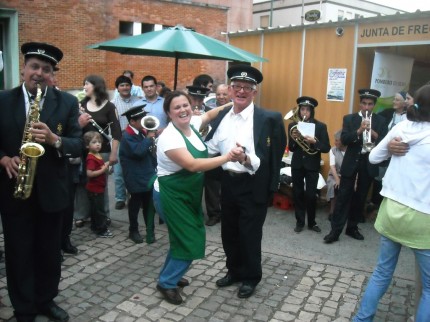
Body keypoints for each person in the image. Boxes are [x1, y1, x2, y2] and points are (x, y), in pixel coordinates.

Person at [0, 42, 82, 322]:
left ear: (51, 75)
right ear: (23, 69)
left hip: (52, 192)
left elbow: (79, 143)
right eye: (34, 66)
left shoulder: (68, 102)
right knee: (18, 252)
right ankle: (23, 307)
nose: (39, 73)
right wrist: (3, 159)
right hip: (14, 190)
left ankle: (45, 300)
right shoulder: (2, 100)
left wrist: (54, 140)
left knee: (49, 253)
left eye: (46, 69)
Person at [206, 65, 286, 299]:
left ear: (254, 92)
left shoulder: (269, 119)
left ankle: (251, 277)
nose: (241, 91)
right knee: (229, 232)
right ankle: (234, 271)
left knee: (249, 235)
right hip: (228, 183)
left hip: (253, 185)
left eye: (247, 88)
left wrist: (246, 159)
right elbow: (210, 146)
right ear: (230, 90)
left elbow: (274, 157)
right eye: (237, 87)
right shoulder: (221, 116)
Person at [155, 90, 242, 305]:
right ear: (168, 112)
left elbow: (209, 115)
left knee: (181, 238)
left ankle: (169, 276)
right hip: (170, 195)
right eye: (177, 107)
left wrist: (233, 103)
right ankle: (167, 283)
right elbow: (193, 165)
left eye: (185, 105)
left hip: (187, 195)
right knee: (190, 239)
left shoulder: (190, 124)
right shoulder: (169, 137)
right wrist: (227, 157)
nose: (183, 110)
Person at [352, 84, 430, 322]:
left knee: (382, 272)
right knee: (429, 288)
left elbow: (374, 157)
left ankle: (361, 319)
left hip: (391, 210)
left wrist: (391, 149)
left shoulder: (402, 126)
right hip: (422, 217)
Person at [324, 89, 387, 243]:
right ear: (360, 104)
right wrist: (359, 130)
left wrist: (373, 133)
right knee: (343, 198)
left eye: (370, 104)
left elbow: (385, 142)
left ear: (374, 105)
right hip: (351, 163)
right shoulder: (350, 119)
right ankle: (335, 231)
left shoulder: (380, 121)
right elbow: (344, 139)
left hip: (368, 163)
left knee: (360, 199)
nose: (366, 107)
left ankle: (352, 228)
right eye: (364, 103)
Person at [74, 75, 121, 227]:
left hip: (103, 151)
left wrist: (114, 153)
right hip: (84, 152)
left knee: (101, 183)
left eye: (86, 84)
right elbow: (74, 129)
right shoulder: (81, 105)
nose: (84, 87)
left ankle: (104, 214)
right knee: (82, 184)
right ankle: (82, 215)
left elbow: (116, 132)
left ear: (96, 86)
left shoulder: (109, 107)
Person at [288, 96, 330, 233]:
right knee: (298, 193)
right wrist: (295, 139)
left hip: (312, 165)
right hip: (298, 164)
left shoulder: (320, 126)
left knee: (311, 195)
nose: (304, 112)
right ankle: (299, 222)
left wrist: (314, 143)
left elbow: (326, 148)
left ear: (312, 111)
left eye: (307, 110)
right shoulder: (292, 126)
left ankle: (312, 222)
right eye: (302, 109)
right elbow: (292, 148)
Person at [119, 105, 157, 244]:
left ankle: (150, 231)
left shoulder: (141, 132)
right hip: (135, 176)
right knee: (135, 205)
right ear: (132, 122)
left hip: (147, 174)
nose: (144, 120)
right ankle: (133, 230)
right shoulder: (127, 135)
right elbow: (138, 152)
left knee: (149, 205)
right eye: (141, 119)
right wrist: (148, 138)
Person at [111, 75, 141, 210]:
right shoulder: (113, 103)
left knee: (134, 169)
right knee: (118, 172)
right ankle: (120, 198)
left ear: (131, 86)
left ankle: (134, 196)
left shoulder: (138, 101)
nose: (125, 87)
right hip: (119, 139)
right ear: (117, 88)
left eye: (127, 85)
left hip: (135, 138)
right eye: (122, 85)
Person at [204, 84, 231, 226]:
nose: (221, 97)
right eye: (218, 94)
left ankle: (227, 213)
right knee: (211, 187)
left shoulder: (236, 110)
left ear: (230, 94)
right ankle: (214, 214)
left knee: (228, 187)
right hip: (213, 156)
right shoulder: (210, 112)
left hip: (230, 154)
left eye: (224, 94)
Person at [84, 131, 113, 238]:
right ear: (87, 145)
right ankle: (101, 230)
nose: (97, 144)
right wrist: (104, 169)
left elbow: (99, 168)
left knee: (96, 210)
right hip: (95, 190)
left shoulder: (97, 155)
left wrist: (105, 165)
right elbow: (90, 173)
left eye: (99, 142)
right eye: (94, 142)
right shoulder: (91, 158)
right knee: (99, 211)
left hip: (98, 188)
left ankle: (95, 227)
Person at [325, 130, 346, 220]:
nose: (335, 142)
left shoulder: (350, 150)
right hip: (334, 175)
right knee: (335, 186)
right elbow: (332, 166)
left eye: (338, 140)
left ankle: (343, 212)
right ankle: (332, 211)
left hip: (347, 176)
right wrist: (337, 179)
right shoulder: (333, 150)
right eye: (335, 140)